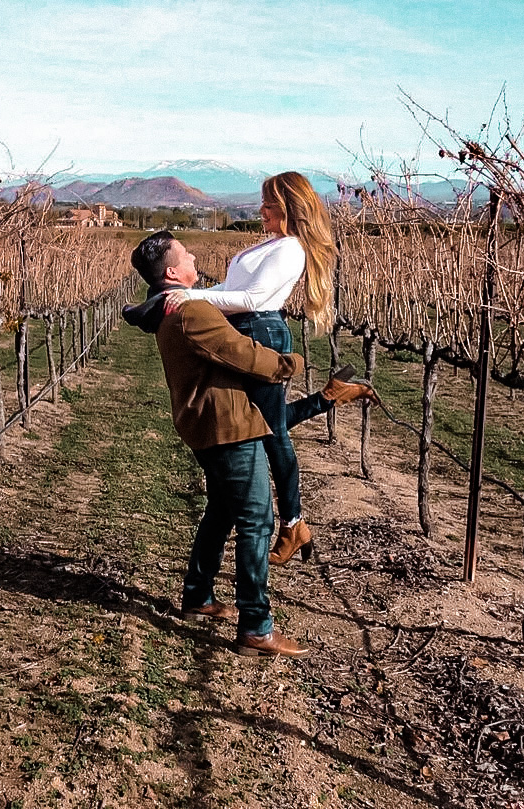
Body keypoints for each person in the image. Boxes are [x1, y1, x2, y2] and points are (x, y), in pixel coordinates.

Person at [166, 171, 376, 566]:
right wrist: (183, 296)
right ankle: (328, 398)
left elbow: (252, 297)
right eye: (262, 202)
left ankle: (293, 522)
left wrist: (190, 297)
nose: (261, 210)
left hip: (260, 331)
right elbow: (229, 290)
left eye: (269, 204)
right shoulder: (272, 243)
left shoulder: (291, 249)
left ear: (290, 207)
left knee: (271, 432)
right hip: (247, 329)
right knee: (261, 423)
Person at [124, 230, 309, 657]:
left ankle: (198, 595)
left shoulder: (167, 309)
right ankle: (256, 627)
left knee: (222, 510)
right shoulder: (192, 312)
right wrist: (292, 362)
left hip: (204, 424)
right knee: (257, 521)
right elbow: (245, 355)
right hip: (228, 426)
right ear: (173, 273)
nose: (194, 258)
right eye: (186, 255)